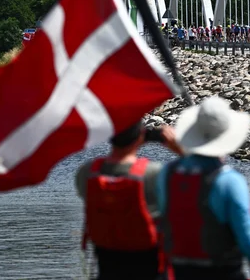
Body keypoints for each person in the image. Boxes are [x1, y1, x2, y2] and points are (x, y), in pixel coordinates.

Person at [157, 97, 250, 280]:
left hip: (177, 271)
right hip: (222, 272)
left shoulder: (167, 174)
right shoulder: (229, 181)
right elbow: (247, 235)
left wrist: (184, 154)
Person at [75, 120, 183, 280]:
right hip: (151, 269)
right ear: (141, 136)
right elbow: (200, 182)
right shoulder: (154, 174)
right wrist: (180, 149)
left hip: (107, 267)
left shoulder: (87, 173)